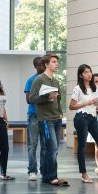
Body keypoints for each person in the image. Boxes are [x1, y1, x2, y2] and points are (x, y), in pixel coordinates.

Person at [29, 53, 68, 186]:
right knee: (53, 147)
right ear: (46, 64)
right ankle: (53, 177)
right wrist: (47, 97)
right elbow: (32, 99)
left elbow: (58, 99)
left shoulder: (56, 81)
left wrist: (60, 112)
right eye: (53, 62)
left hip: (56, 118)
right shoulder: (39, 80)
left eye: (57, 61)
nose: (56, 64)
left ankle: (47, 176)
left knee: (50, 148)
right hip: (45, 120)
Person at [24, 57, 45, 181]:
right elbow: (28, 99)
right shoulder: (31, 80)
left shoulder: (49, 79)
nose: (41, 66)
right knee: (32, 145)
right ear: (35, 66)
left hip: (47, 116)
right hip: (34, 115)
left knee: (46, 145)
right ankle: (32, 170)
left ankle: (44, 169)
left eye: (43, 64)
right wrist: (43, 97)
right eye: (39, 65)